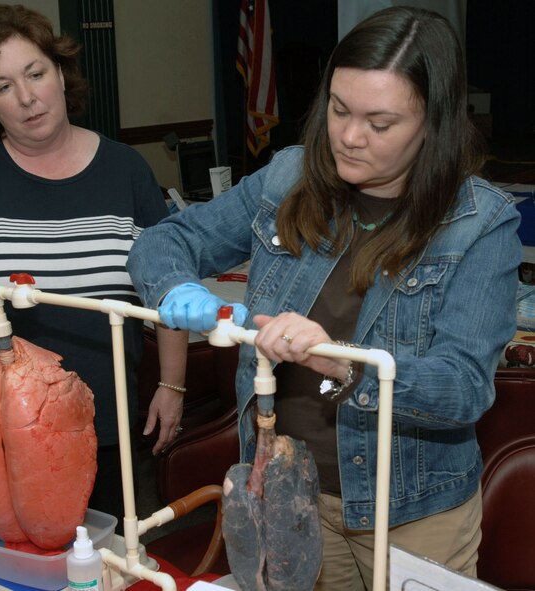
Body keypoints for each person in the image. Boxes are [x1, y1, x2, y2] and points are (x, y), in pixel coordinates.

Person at [127, 6, 522, 589]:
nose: (348, 136)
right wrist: (174, 285)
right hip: (292, 490)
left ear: (433, 123)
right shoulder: (288, 177)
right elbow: (166, 239)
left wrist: (344, 363)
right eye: (339, 109)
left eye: (380, 123)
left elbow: (463, 388)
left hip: (412, 512)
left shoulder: (480, 223)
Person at [0, 5, 188, 523]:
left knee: (106, 560)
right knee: (4, 563)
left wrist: (173, 383)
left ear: (61, 73)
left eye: (35, 74)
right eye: (2, 86)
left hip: (106, 423)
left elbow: (170, 287)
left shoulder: (127, 170)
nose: (26, 98)